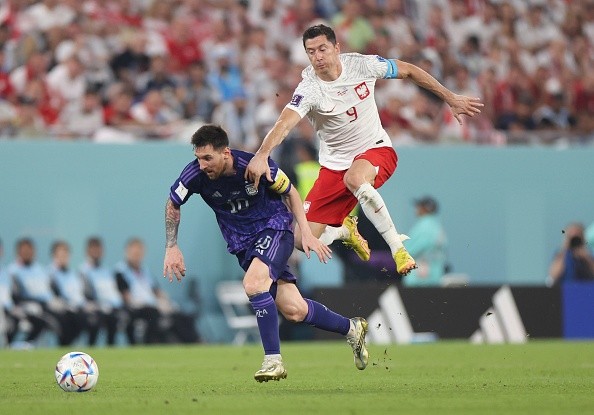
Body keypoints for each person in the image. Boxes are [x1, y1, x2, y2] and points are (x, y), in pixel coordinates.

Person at [245, 24, 483, 276]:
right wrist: (262, 154)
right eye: (311, 52)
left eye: (322, 49)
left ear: (337, 48)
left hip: (376, 150)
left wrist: (450, 97)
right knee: (300, 240)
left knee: (355, 178)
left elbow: (410, 71)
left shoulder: (362, 65)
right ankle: (344, 231)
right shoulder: (309, 90)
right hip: (334, 167)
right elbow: (284, 123)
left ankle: (398, 248)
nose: (318, 57)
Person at [163, 124, 369, 382]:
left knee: (253, 283)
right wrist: (171, 246)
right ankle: (352, 328)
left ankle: (273, 360)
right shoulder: (195, 175)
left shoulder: (254, 166)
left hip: (274, 228)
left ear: (225, 152)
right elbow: (173, 203)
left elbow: (291, 192)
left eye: (208, 158)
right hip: (243, 245)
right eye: (198, 158)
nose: (202, 165)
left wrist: (304, 231)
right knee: (295, 310)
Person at [48, 240, 101, 345]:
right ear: (54, 255)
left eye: (65, 254)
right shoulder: (50, 274)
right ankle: (64, 347)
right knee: (67, 321)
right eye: (60, 254)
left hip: (79, 308)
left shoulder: (74, 274)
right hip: (63, 309)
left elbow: (82, 294)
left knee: (95, 319)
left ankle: (90, 351)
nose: (63, 257)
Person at [79, 236, 127, 346]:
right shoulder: (84, 270)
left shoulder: (107, 270)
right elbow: (87, 293)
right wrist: (99, 305)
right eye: (94, 249)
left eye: (99, 249)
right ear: (88, 251)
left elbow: (113, 291)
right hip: (97, 307)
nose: (97, 252)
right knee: (97, 320)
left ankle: (111, 349)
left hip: (113, 307)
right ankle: (91, 349)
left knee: (119, 317)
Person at [402, 196, 448, 287]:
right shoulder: (437, 226)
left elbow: (407, 251)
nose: (416, 209)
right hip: (436, 278)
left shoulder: (424, 226)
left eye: (419, 206)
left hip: (419, 279)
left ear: (424, 209)